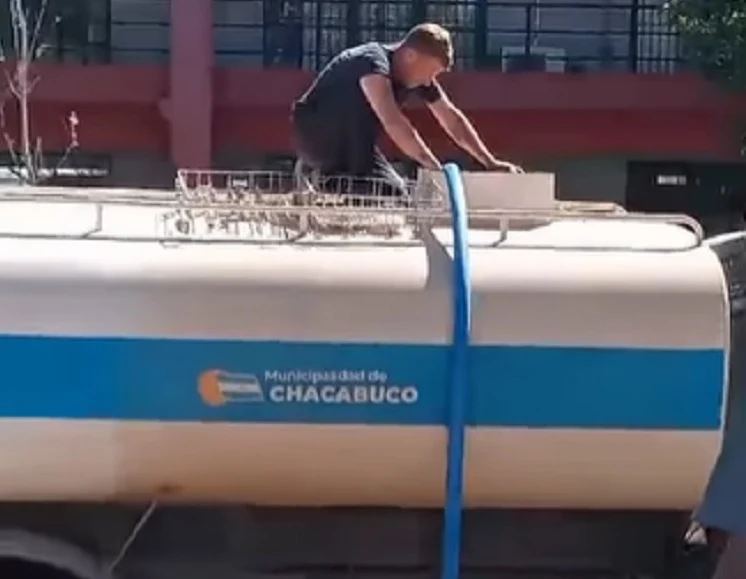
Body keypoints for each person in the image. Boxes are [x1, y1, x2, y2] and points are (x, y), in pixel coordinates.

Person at [291, 22, 522, 196]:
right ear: (410, 55)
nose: (428, 81)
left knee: (394, 195)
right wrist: (434, 168)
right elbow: (393, 121)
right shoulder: (372, 63)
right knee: (363, 188)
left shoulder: (417, 77)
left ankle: (328, 182)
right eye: (429, 72)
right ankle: (318, 175)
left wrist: (489, 162)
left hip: (356, 145)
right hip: (319, 134)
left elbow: (451, 119)